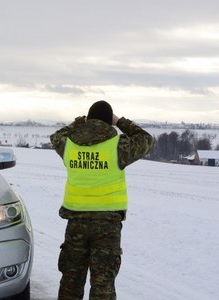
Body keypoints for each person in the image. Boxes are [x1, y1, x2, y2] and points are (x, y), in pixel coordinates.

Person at [50, 100, 154, 300]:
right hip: (107, 226)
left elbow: (56, 136)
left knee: (70, 283)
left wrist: (79, 122)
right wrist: (120, 121)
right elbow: (145, 138)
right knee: (103, 285)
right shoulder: (118, 146)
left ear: (88, 119)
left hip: (76, 224)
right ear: (109, 122)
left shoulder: (69, 144)